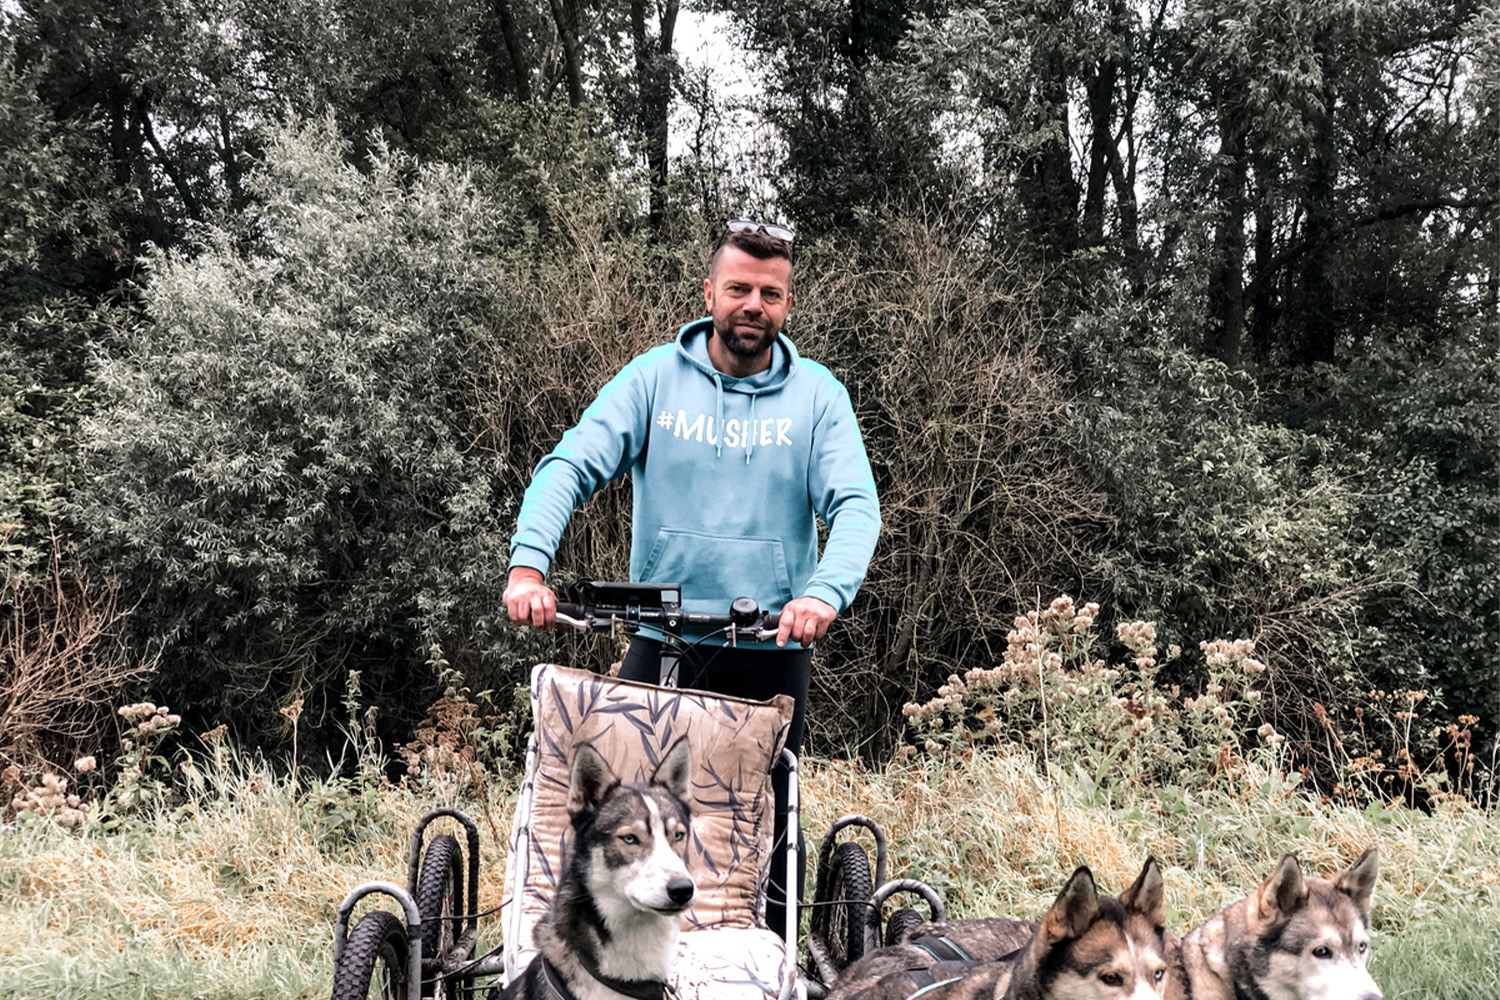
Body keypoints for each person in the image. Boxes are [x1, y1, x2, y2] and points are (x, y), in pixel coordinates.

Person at [504, 219, 881, 934]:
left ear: (786, 305)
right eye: (738, 288)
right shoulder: (653, 380)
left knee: (765, 826)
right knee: (619, 812)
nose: (752, 304)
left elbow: (857, 507)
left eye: (770, 293)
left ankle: (765, 958)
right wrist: (529, 567)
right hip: (660, 639)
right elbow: (570, 465)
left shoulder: (818, 397)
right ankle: (597, 951)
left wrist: (822, 594)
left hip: (772, 646)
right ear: (709, 291)